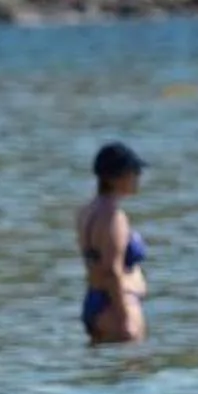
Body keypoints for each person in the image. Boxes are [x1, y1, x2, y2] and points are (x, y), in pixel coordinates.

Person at [80, 140, 149, 345]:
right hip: (117, 306)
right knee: (129, 372)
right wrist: (125, 319)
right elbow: (112, 270)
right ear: (115, 177)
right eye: (134, 171)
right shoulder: (112, 215)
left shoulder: (87, 211)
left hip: (96, 301)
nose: (138, 177)